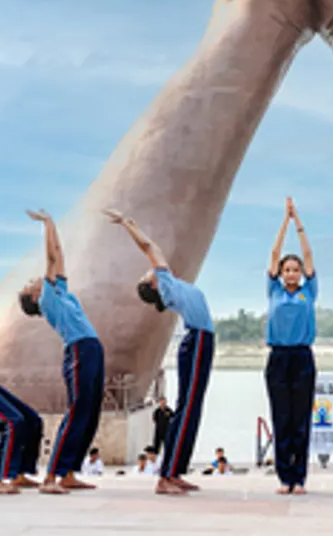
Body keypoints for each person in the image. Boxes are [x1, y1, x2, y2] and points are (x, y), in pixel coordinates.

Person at [108, 210, 216, 497]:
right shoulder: (166, 284)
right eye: (149, 273)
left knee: (193, 410)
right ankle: (165, 476)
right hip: (198, 342)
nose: (152, 269)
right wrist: (128, 224)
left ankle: (175, 471)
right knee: (187, 408)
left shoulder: (169, 284)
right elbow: (149, 247)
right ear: (153, 284)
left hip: (203, 341)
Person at [20, 208, 105, 495]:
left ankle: (69, 472)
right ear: (34, 296)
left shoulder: (61, 293)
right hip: (79, 350)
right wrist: (46, 225)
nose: (34, 280)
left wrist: (54, 224)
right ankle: (51, 477)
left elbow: (60, 257)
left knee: (91, 412)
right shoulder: (47, 300)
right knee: (78, 409)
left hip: (92, 347)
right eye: (30, 284)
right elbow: (52, 258)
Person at [265, 197, 318, 495]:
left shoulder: (309, 291)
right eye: (287, 270)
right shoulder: (274, 289)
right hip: (277, 359)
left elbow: (308, 253)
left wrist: (298, 222)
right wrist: (283, 222)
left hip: (302, 358)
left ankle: (300, 477)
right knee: (281, 417)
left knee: (301, 419)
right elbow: (274, 253)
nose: (292, 274)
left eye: (295, 269)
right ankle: (285, 477)